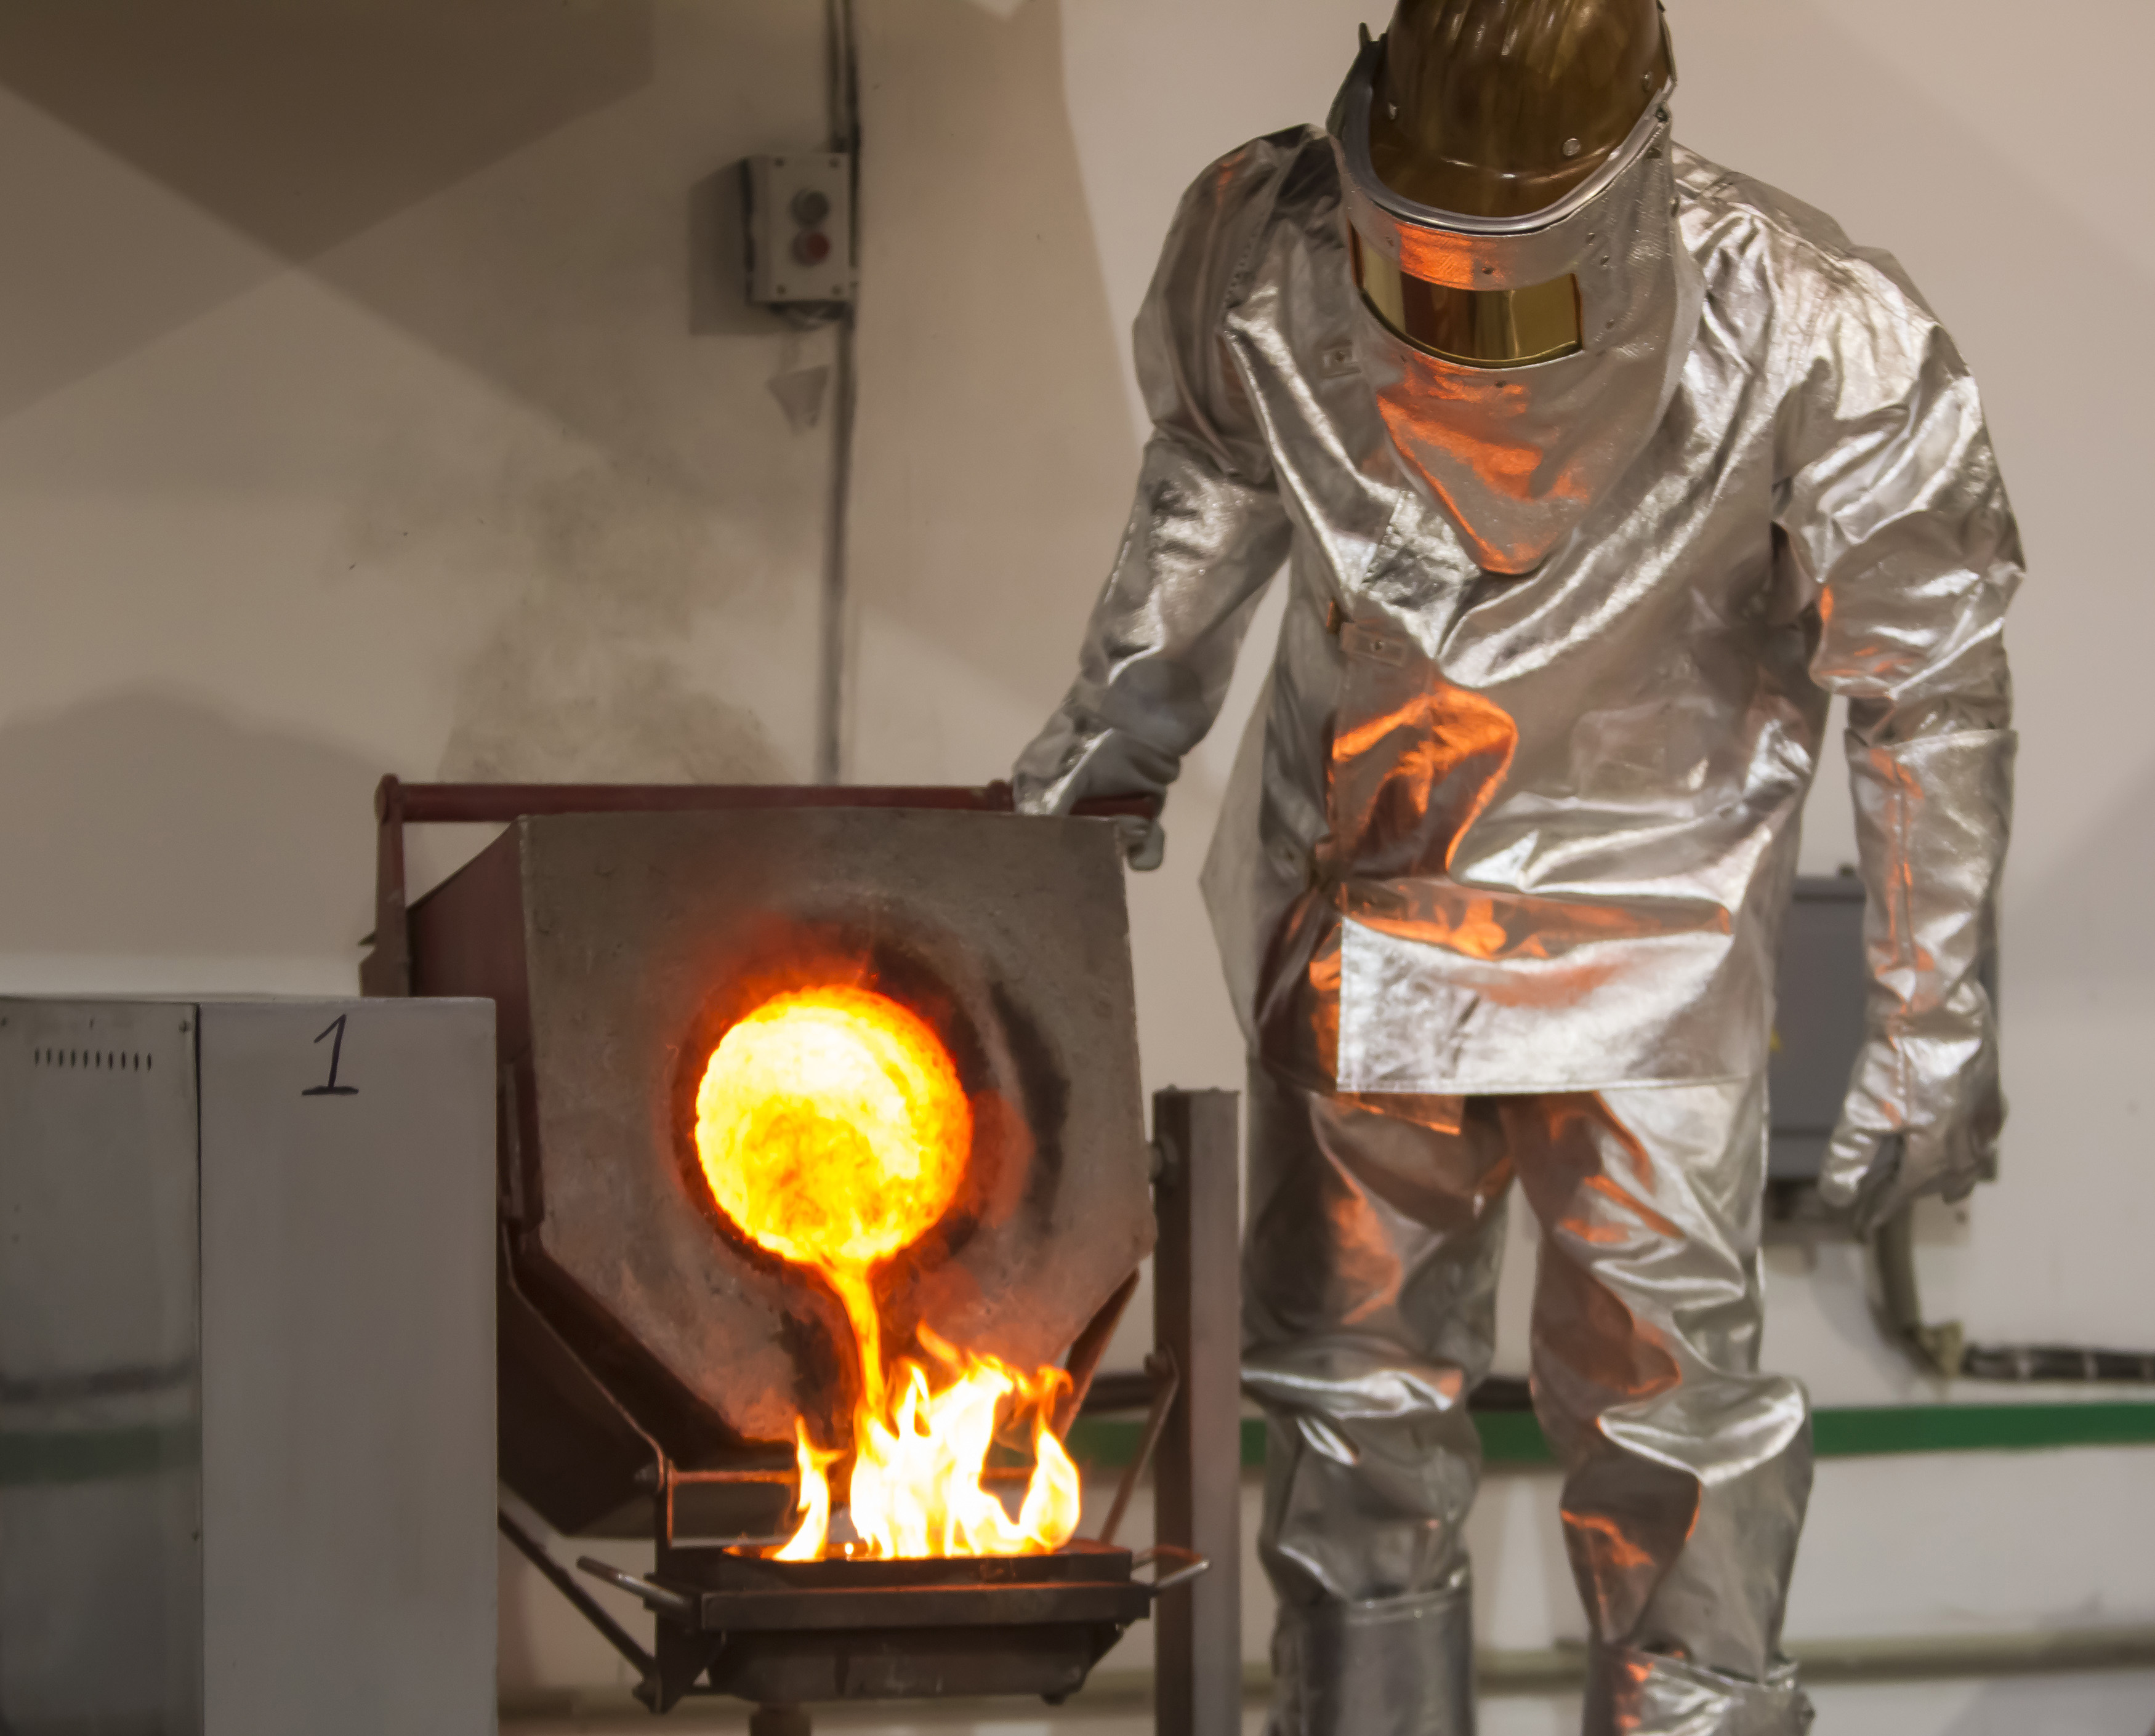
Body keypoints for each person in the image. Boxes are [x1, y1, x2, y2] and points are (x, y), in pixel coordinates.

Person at [1012, 1, 2019, 1732]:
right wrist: (1082, 791)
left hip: (1646, 976)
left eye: (1511, 279)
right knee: (1350, 1426)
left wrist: (1933, 1027)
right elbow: (1205, 497)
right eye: (1427, 267)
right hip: (1368, 927)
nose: (1467, 325)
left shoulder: (1810, 325)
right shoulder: (1268, 249)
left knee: (1670, 1446)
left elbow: (1928, 686)